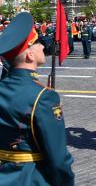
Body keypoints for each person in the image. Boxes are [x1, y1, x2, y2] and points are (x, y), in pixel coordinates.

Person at [0, 12, 74, 185]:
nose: (42, 46)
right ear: (30, 55)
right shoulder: (44, 97)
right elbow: (59, 159)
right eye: (37, 43)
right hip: (30, 177)